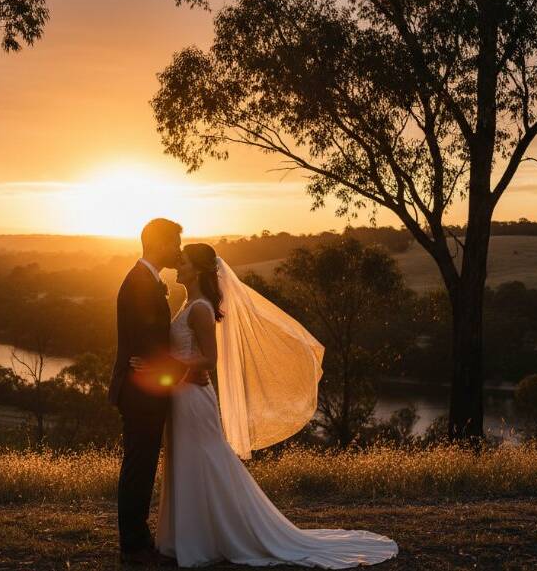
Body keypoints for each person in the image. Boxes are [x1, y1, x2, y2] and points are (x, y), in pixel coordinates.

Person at [132, 243, 398, 568]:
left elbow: (209, 360)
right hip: (183, 394)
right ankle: (191, 536)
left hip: (193, 398)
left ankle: (219, 536)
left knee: (205, 461)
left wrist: (165, 366)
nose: (177, 266)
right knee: (188, 461)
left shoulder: (200, 308)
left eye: (184, 262)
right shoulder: (190, 303)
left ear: (198, 270)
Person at [109, 218, 210, 565]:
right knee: (139, 466)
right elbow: (149, 345)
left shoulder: (148, 280)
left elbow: (155, 347)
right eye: (175, 244)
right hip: (139, 392)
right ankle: (134, 547)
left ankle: (138, 540)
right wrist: (184, 369)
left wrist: (179, 370)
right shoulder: (139, 282)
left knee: (143, 464)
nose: (178, 251)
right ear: (160, 243)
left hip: (146, 388)